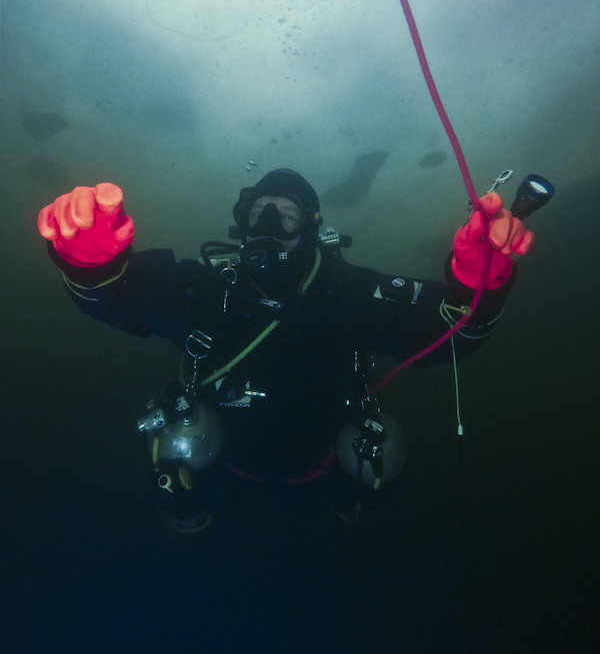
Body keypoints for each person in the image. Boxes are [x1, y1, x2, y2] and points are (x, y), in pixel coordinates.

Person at [36, 169, 534, 533]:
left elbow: (448, 336)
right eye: (258, 213)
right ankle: (196, 513)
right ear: (242, 225)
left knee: (374, 459)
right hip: (220, 460)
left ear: (313, 228)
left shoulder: (353, 293)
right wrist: (90, 264)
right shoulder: (208, 288)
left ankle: (348, 510)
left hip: (321, 466)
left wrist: (478, 286)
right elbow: (121, 299)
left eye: (288, 215)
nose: (271, 223)